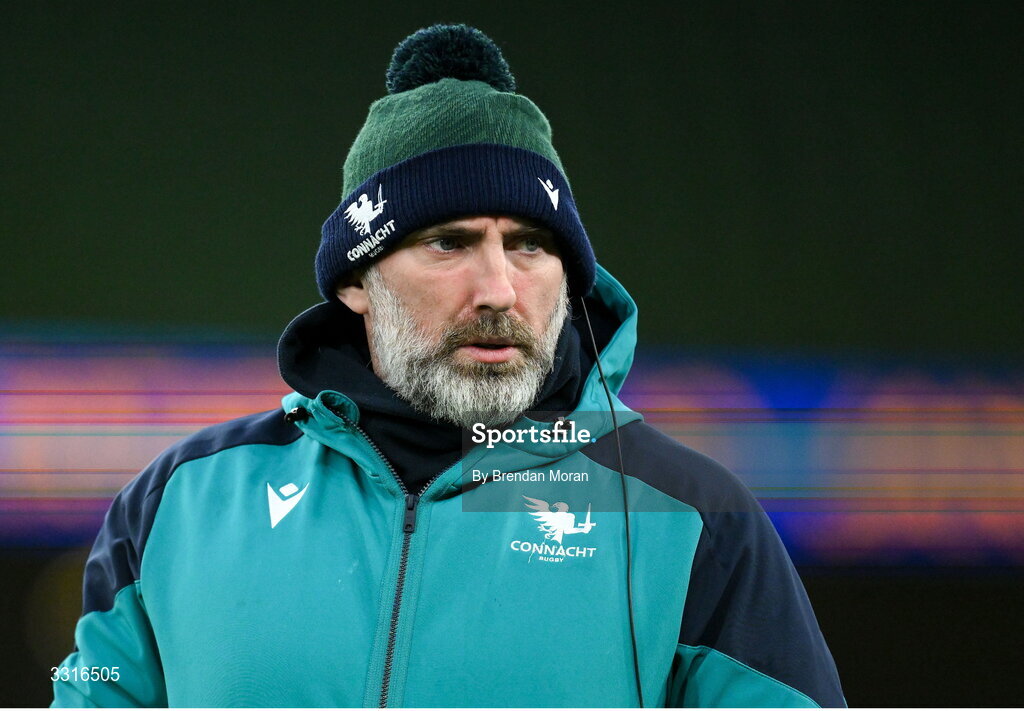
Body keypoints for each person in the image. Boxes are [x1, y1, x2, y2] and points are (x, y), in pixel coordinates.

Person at [52, 24, 845, 708]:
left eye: (531, 244)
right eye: (450, 243)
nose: (499, 288)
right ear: (357, 282)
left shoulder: (692, 519)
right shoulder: (179, 505)